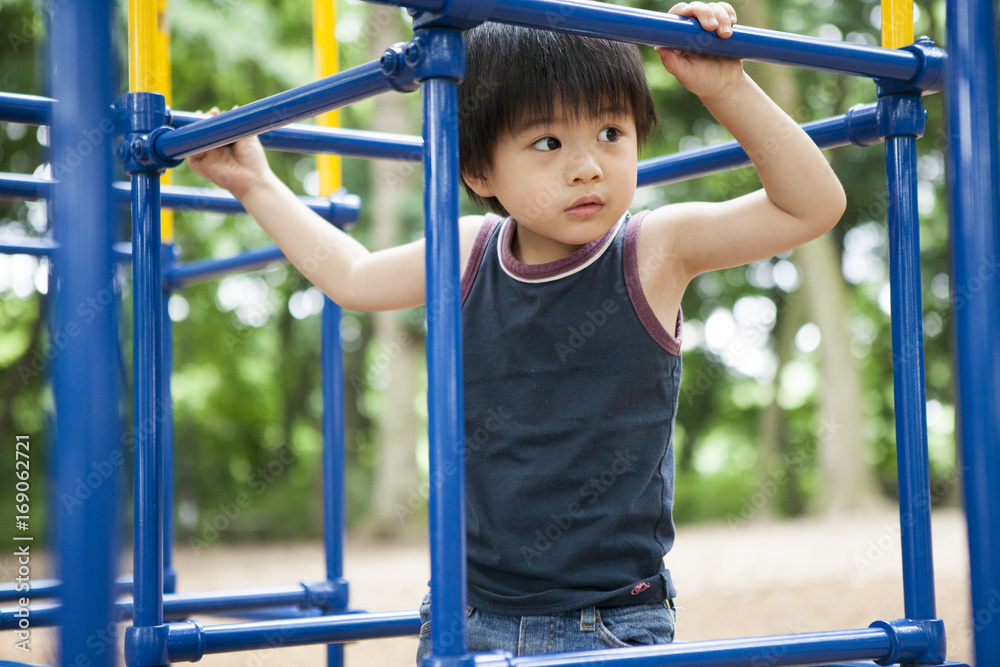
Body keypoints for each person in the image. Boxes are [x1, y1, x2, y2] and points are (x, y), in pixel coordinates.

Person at [189, 2, 846, 660]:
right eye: (548, 142)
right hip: (469, 611)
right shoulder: (468, 251)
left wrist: (727, 88)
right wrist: (257, 186)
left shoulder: (654, 249)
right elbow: (355, 276)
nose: (587, 165)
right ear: (479, 172)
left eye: (612, 132)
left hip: (610, 619)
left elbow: (811, 205)